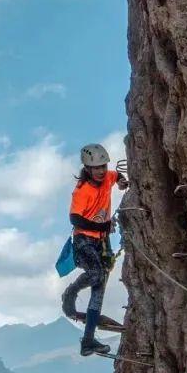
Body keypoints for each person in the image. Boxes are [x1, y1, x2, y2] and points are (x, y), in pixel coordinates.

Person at [61, 143, 128, 357]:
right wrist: (103, 226)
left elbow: (115, 175)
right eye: (95, 168)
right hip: (84, 241)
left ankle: (88, 341)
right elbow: (75, 218)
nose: (100, 171)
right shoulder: (83, 190)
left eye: (102, 166)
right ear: (87, 169)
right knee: (97, 275)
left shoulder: (107, 176)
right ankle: (72, 291)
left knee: (99, 287)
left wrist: (121, 182)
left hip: (101, 241)